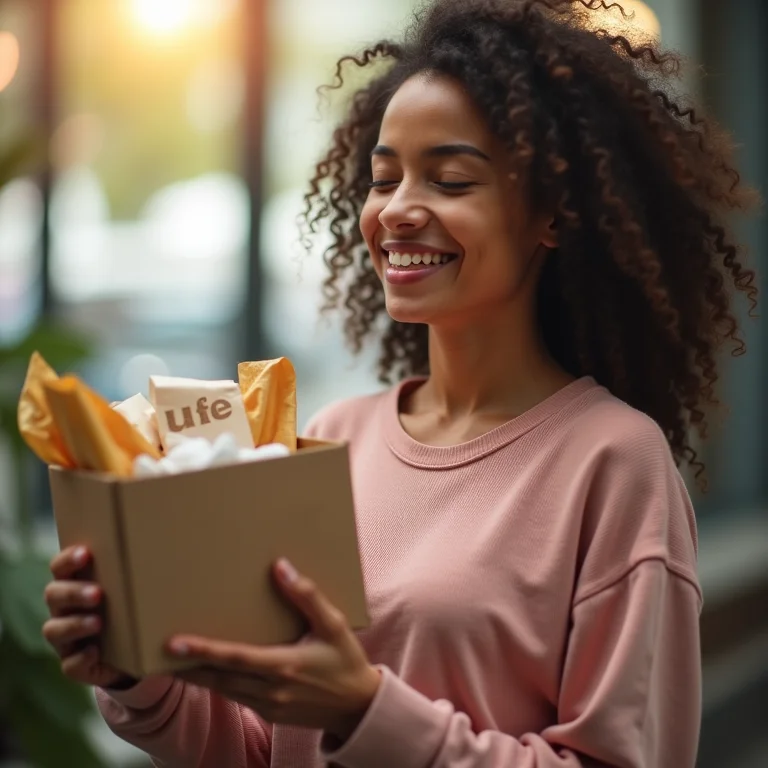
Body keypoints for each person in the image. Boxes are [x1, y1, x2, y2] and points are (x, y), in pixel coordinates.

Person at [41, 0, 759, 766]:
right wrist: (136, 675)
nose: (398, 211)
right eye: (384, 180)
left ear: (551, 212)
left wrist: (363, 710)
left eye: (450, 180)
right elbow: (263, 746)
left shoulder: (614, 463)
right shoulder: (335, 436)